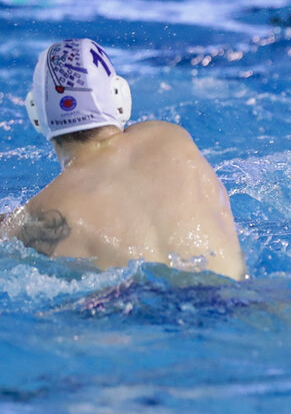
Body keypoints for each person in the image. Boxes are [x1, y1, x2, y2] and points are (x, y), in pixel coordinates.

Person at [0, 39, 247, 280]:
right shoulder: (170, 137)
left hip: (147, 306)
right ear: (119, 97)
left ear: (35, 113)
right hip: (244, 297)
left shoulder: (38, 216)